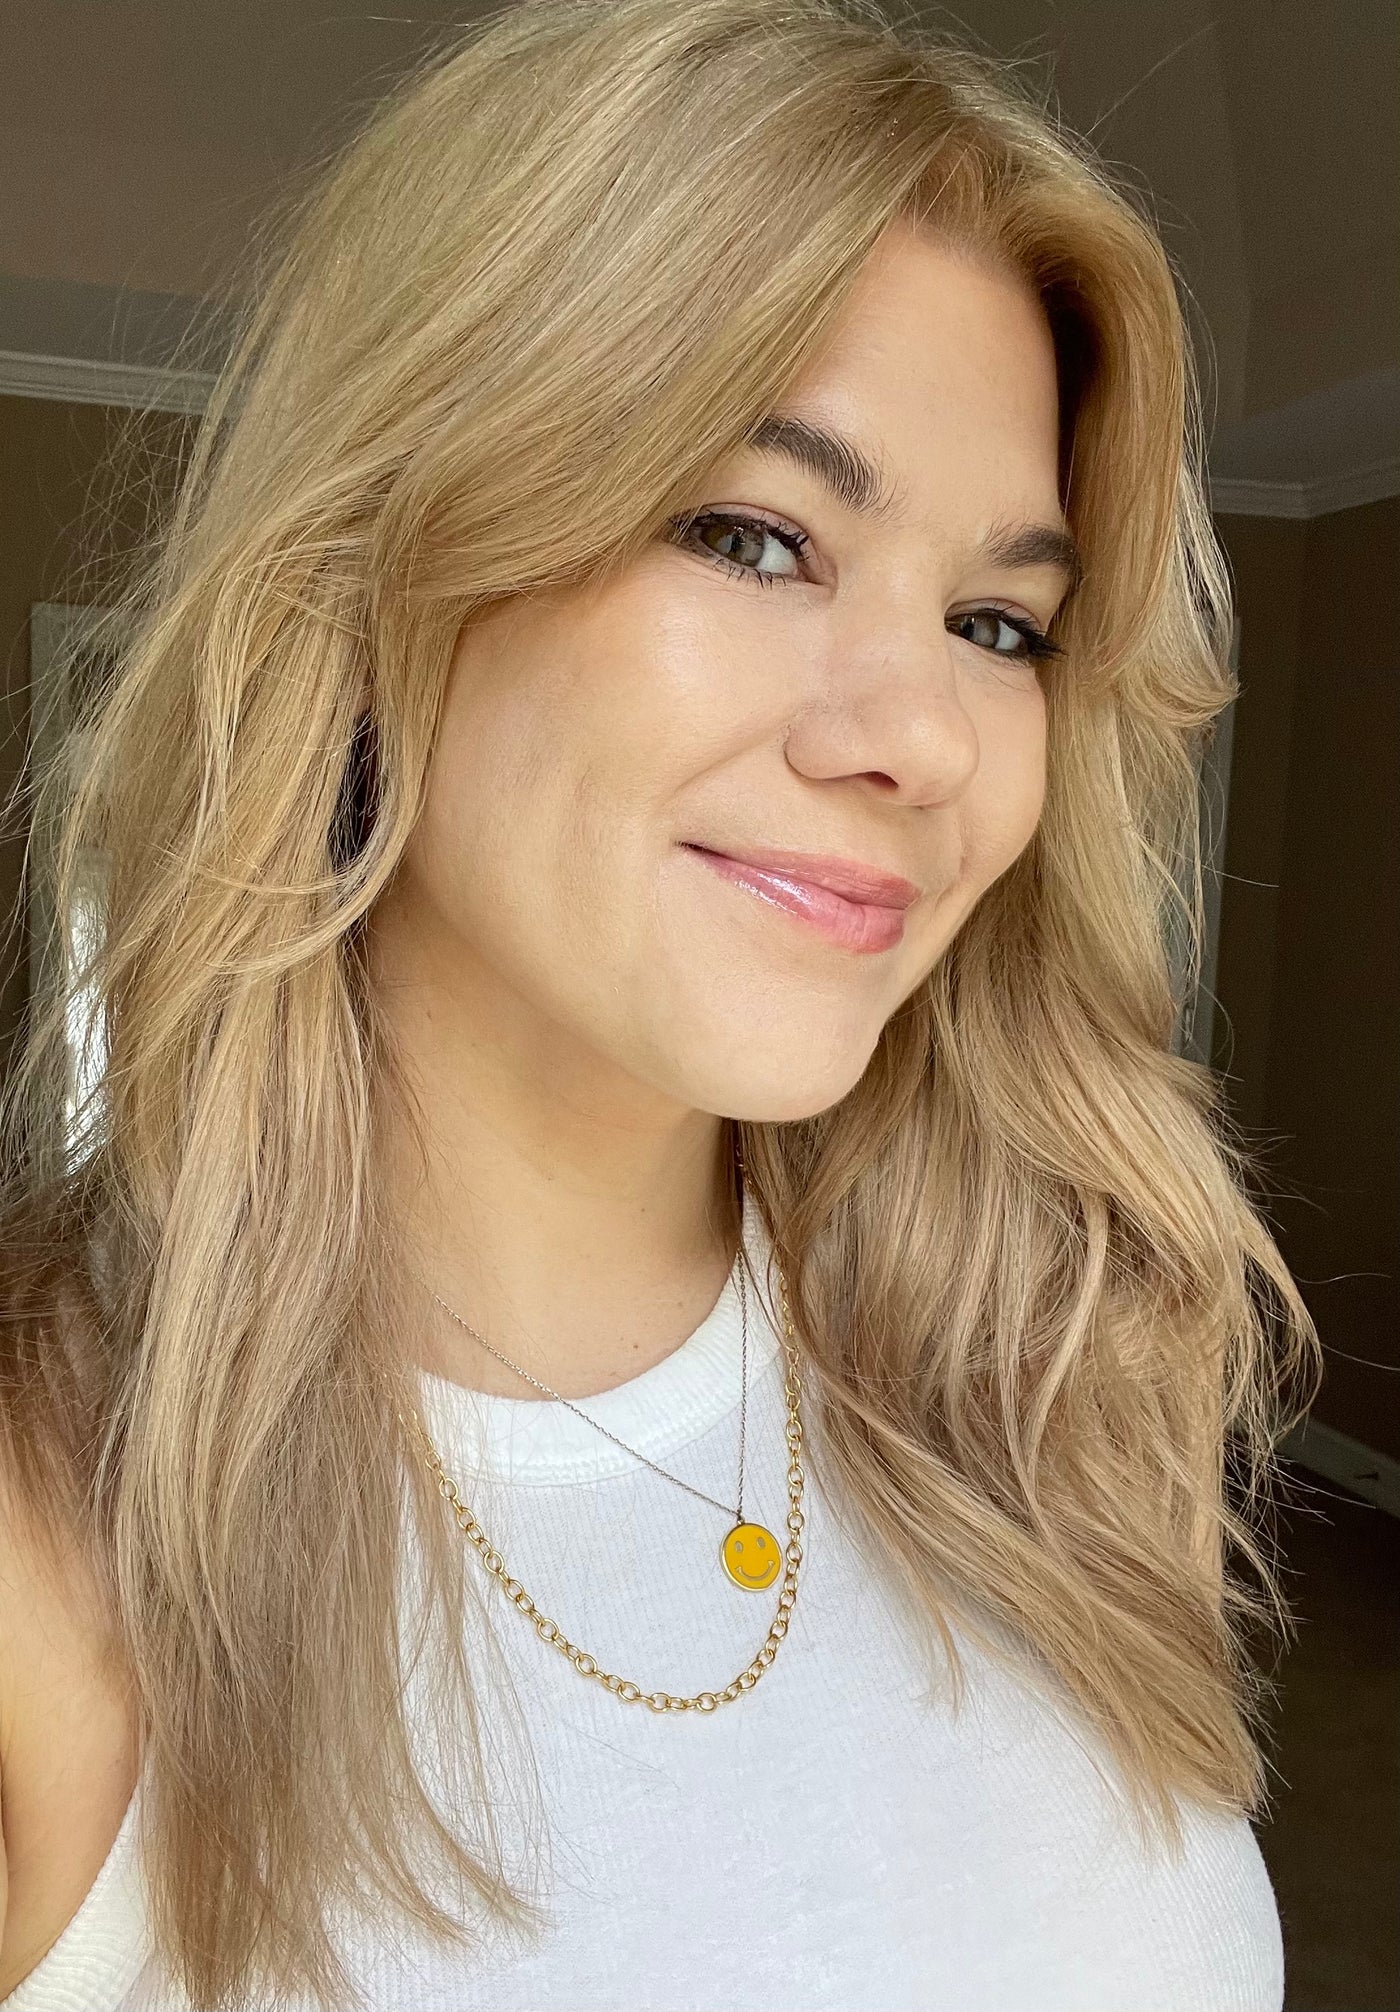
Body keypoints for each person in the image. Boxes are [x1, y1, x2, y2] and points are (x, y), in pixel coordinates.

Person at [0, 1, 1322, 2007]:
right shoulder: (47, 1551)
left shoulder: (1044, 1385)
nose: (922, 738)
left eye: (997, 624)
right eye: (754, 535)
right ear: (391, 561)